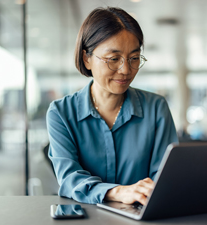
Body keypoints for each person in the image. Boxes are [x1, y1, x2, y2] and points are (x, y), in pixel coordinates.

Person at [46, 7, 178, 205]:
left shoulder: (156, 108)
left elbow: (165, 178)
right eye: (113, 59)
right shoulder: (61, 113)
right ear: (86, 59)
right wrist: (118, 192)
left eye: (134, 58)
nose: (125, 70)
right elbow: (69, 178)